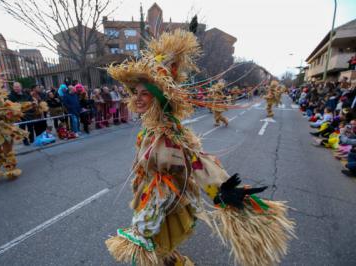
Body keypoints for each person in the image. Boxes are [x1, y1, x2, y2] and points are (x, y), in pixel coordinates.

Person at [105, 29, 294, 266]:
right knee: (160, 252)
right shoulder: (148, 129)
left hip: (162, 203)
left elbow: (198, 162)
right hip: (147, 197)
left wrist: (224, 191)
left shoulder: (171, 134)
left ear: (160, 99)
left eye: (146, 93)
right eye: (136, 93)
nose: (138, 98)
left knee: (149, 252)